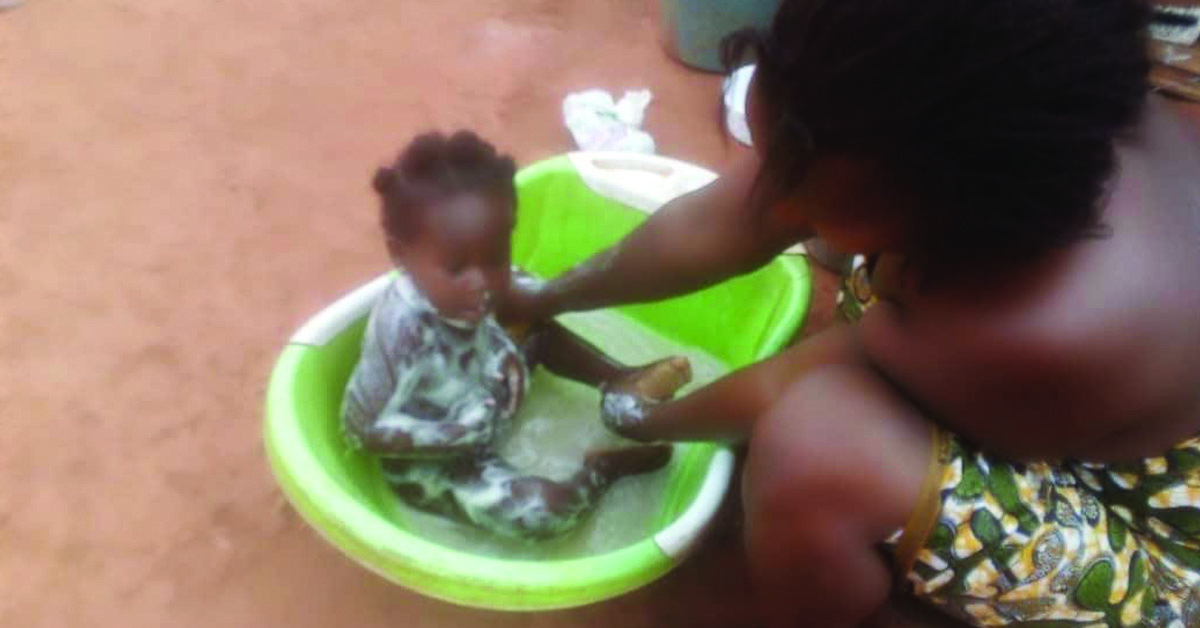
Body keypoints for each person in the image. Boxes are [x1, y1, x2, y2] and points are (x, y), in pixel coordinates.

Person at [502, 0, 1200, 625]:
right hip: (1038, 386)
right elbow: (734, 218)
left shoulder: (1037, 329)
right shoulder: (1001, 116)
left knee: (816, 450)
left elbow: (795, 386)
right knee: (839, 234)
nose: (771, 192)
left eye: (795, 179)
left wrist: (642, 416)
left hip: (1162, 548)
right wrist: (547, 294)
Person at [341, 131, 692, 540]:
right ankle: (602, 469)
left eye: (495, 258)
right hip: (438, 460)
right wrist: (452, 435)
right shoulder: (402, 328)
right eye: (456, 267)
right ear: (401, 255)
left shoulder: (484, 291)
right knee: (545, 513)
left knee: (532, 315)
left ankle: (616, 377)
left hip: (488, 397)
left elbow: (509, 320)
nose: (482, 283)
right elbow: (360, 432)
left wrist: (504, 359)